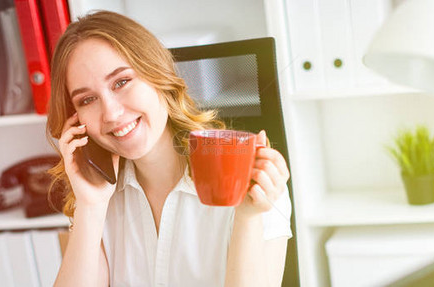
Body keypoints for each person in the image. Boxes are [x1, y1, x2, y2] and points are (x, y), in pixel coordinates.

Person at [46, 11, 293, 287]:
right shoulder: (100, 198)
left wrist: (248, 216)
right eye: (88, 99)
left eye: (121, 82)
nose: (111, 113)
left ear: (158, 75)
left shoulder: (249, 181)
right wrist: (89, 208)